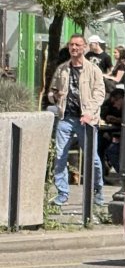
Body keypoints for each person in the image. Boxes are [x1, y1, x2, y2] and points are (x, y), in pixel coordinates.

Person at [46, 33, 107, 206]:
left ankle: (98, 190)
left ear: (84, 47)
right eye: (71, 45)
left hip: (86, 119)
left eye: (78, 45)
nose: (74, 48)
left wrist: (89, 113)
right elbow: (52, 92)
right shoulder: (62, 69)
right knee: (60, 155)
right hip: (66, 117)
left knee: (92, 158)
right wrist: (55, 96)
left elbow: (99, 94)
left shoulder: (93, 70)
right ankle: (62, 193)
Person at [98, 84, 124, 175]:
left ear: (120, 99)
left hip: (123, 137)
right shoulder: (110, 106)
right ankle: (102, 172)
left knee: (111, 150)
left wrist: (115, 119)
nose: (114, 106)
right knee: (101, 144)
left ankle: (122, 174)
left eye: (114, 103)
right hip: (114, 133)